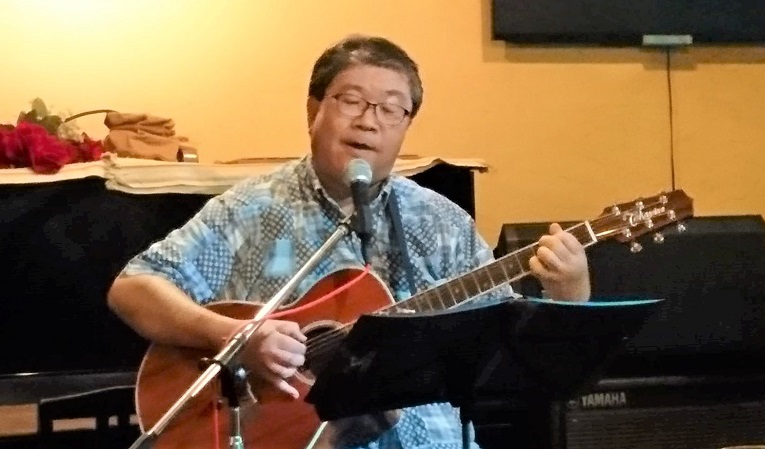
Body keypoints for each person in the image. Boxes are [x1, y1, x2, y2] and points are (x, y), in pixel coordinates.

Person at [107, 34, 591, 449]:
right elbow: (133, 289)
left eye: (391, 109)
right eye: (351, 100)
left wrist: (568, 293)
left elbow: (512, 350)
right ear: (313, 110)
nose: (368, 121)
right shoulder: (252, 209)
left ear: (406, 126)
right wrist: (234, 337)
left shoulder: (441, 221)